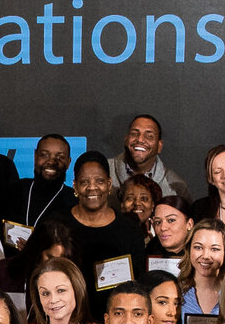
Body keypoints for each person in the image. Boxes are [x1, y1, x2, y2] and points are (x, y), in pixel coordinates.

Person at [62, 151, 153, 287]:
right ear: (75, 185)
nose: (92, 187)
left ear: (109, 184)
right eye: (84, 182)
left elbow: (137, 284)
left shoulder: (130, 230)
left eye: (99, 181)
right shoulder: (57, 225)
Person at [118, 113, 189, 203]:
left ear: (159, 146)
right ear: (126, 139)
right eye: (134, 133)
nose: (140, 139)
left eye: (149, 136)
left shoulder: (176, 187)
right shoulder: (104, 172)